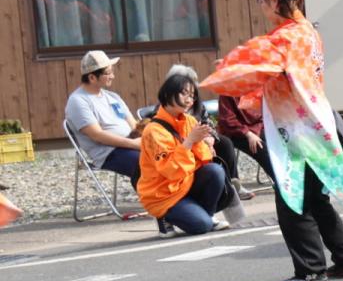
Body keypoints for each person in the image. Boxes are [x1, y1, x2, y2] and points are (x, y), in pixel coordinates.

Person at [202, 0, 343, 281]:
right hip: (313, 122)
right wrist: (237, 67)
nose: (260, 4)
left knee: (291, 197)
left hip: (295, 129)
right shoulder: (307, 32)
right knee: (313, 196)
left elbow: (259, 71)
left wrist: (227, 73)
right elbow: (269, 71)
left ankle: (310, 269)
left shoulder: (286, 38)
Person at [137, 73, 230, 235]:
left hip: (186, 183)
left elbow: (203, 161)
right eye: (184, 94)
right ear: (167, 94)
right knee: (201, 226)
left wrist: (205, 143)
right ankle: (164, 216)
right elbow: (169, 170)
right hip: (163, 194)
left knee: (215, 170)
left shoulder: (190, 121)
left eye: (192, 96)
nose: (189, 100)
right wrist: (189, 141)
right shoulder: (153, 130)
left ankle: (207, 215)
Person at [167, 64, 255, 203]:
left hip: (202, 138)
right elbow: (171, 134)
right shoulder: (166, 107)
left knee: (225, 142)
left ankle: (232, 183)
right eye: (185, 89)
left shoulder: (196, 104)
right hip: (184, 145)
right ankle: (215, 189)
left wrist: (209, 137)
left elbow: (208, 122)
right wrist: (200, 140)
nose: (190, 95)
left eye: (192, 88)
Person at [64, 50, 141, 186]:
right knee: (147, 165)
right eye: (108, 73)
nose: (113, 76)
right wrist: (134, 144)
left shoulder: (113, 97)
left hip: (131, 144)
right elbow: (97, 135)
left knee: (167, 157)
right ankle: (159, 203)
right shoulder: (78, 101)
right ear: (92, 77)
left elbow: (134, 125)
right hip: (109, 153)